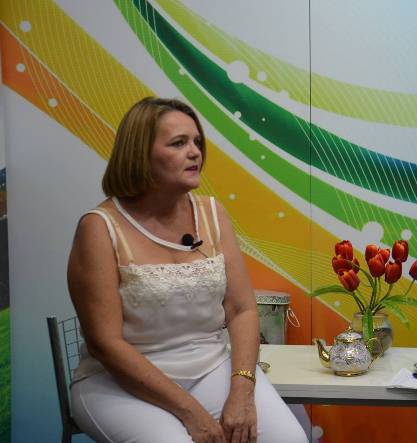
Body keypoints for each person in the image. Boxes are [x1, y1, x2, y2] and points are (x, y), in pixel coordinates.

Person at [67, 97, 307, 443]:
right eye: (178, 143)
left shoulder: (212, 212)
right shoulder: (99, 227)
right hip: (118, 384)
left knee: (290, 439)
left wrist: (242, 390)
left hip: (211, 368)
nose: (195, 152)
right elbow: (106, 344)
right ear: (139, 153)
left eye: (197, 142)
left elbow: (242, 309)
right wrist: (191, 412)